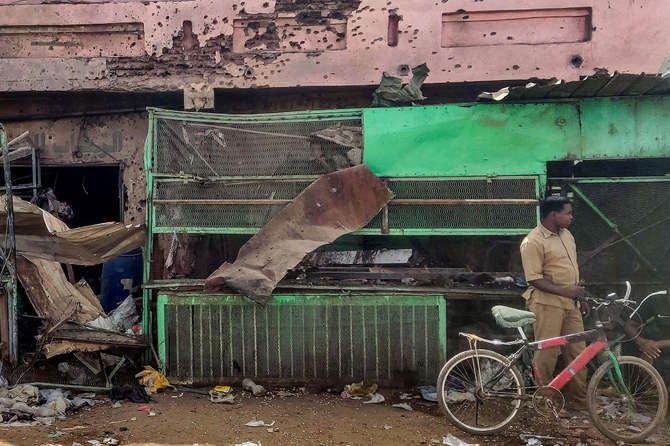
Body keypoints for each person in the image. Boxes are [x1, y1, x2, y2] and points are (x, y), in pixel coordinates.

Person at [520, 195, 588, 409]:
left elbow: (570, 270)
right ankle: (542, 399)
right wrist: (566, 291)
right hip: (547, 304)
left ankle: (578, 399)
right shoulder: (533, 241)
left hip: (571, 303)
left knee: (578, 351)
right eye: (567, 213)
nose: (571, 217)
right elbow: (534, 278)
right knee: (547, 353)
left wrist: (578, 295)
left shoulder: (567, 235)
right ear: (553, 214)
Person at [624, 290, 670, 384]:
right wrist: (642, 342)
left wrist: (657, 344)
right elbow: (630, 325)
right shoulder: (654, 299)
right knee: (629, 340)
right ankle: (634, 391)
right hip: (660, 342)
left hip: (663, 344)